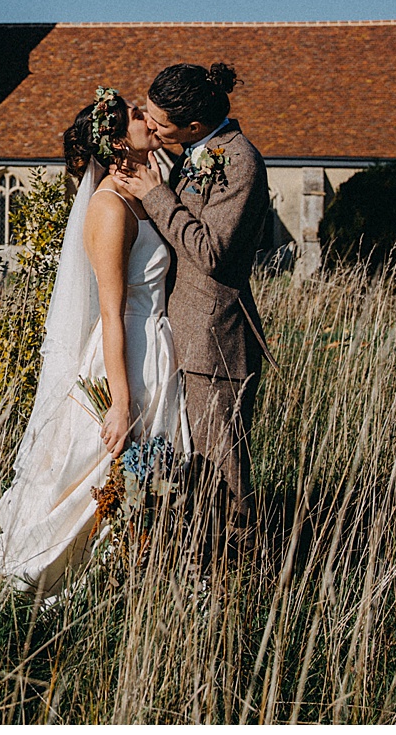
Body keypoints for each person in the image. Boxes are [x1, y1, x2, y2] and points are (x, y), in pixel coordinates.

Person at [0, 87, 187, 597]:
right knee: (105, 467)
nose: (145, 116)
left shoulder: (149, 189)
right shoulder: (108, 207)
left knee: (150, 472)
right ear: (115, 141)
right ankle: (81, 574)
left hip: (155, 345)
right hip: (123, 351)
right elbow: (109, 311)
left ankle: (136, 569)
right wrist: (121, 403)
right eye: (133, 114)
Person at [111, 62, 272, 551]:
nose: (153, 128)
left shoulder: (239, 162)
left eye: (160, 123)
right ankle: (200, 558)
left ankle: (245, 570)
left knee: (224, 472)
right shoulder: (194, 153)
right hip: (181, 334)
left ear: (195, 127)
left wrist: (155, 194)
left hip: (214, 341)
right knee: (194, 470)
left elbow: (212, 253)